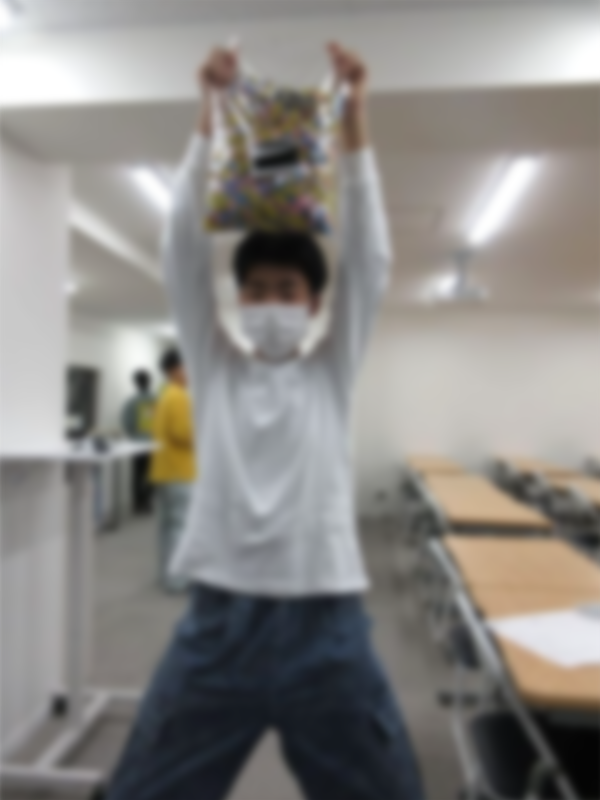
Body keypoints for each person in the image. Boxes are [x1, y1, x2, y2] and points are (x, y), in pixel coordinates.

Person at [108, 43, 424, 800]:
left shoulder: (330, 373)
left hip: (328, 626)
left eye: (287, 291)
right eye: (256, 290)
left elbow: (369, 263)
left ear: (312, 305)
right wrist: (208, 116)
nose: (271, 303)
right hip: (218, 625)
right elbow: (181, 252)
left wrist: (355, 123)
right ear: (238, 300)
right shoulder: (214, 368)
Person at [150, 348, 196, 593]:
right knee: (180, 526)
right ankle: (178, 580)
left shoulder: (164, 394)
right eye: (188, 366)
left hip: (164, 470)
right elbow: (183, 434)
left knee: (167, 526)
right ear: (176, 370)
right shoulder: (179, 396)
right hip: (179, 471)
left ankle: (166, 575)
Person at [121, 369, 155, 514]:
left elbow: (126, 423)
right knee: (152, 473)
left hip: (136, 444)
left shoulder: (131, 402)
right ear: (149, 382)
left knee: (137, 474)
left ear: (135, 383)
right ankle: (147, 501)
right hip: (154, 443)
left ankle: (137, 503)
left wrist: (133, 435)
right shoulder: (157, 399)